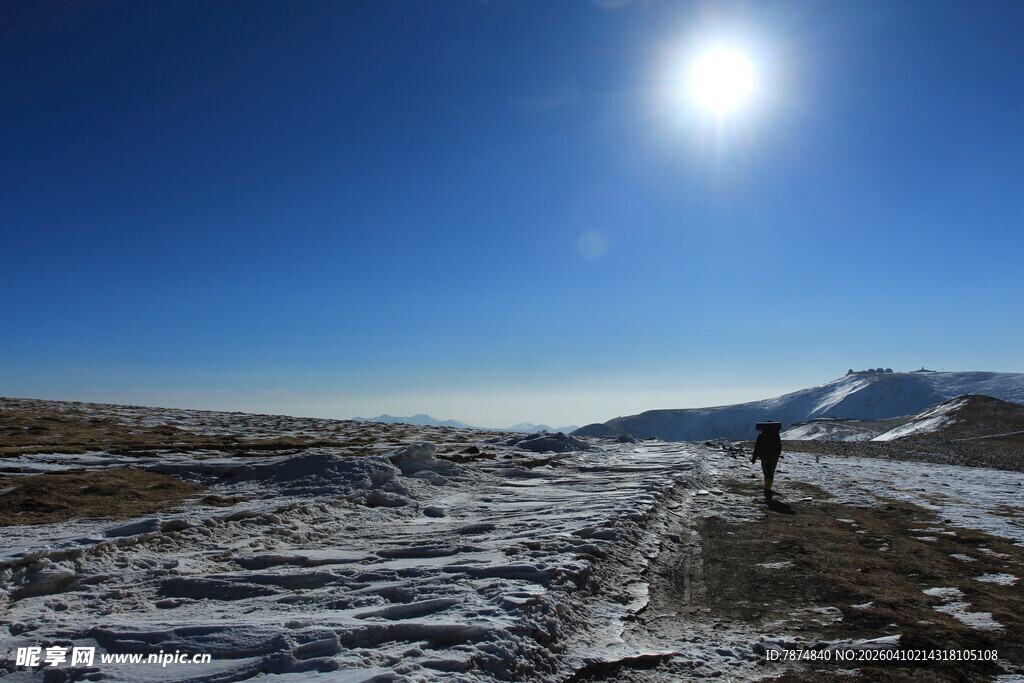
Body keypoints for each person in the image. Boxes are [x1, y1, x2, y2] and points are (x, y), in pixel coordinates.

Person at [750, 422, 782, 500]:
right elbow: (779, 447)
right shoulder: (776, 436)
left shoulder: (761, 436)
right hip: (774, 458)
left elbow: (757, 448)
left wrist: (754, 458)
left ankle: (767, 489)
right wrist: (777, 455)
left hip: (764, 458)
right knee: (771, 473)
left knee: (766, 473)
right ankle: (768, 488)